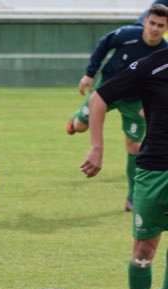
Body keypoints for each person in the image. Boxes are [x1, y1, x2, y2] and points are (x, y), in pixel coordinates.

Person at [80, 45, 168, 289]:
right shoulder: (151, 66)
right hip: (153, 168)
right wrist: (96, 147)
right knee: (143, 251)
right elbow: (99, 98)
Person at [66, 4, 168, 212]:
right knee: (80, 126)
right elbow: (104, 44)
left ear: (166, 28)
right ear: (145, 21)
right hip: (105, 92)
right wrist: (89, 73)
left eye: (160, 25)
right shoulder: (127, 34)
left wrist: (149, 105)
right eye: (152, 23)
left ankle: (132, 197)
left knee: (134, 146)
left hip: (134, 102)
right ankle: (77, 118)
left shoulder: (163, 52)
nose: (155, 29)